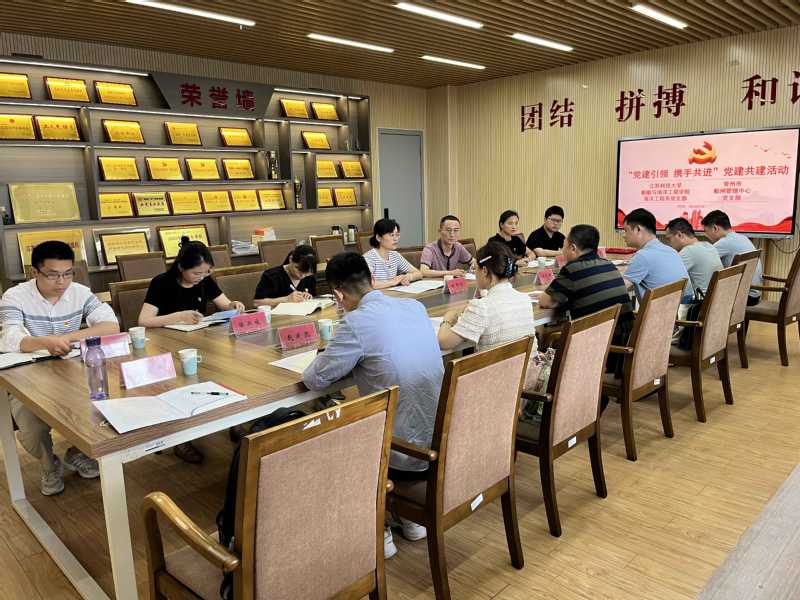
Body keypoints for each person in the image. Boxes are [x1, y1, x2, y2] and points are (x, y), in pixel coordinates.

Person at [302, 252, 443, 559]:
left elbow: (314, 379)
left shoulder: (355, 323)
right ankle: (410, 518)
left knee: (334, 433)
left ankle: (379, 530)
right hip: (438, 440)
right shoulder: (414, 306)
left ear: (338, 294)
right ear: (373, 279)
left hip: (398, 451)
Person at [0, 241, 119, 496]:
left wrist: (67, 338)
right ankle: (49, 465)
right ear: (35, 272)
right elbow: (9, 338)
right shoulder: (15, 296)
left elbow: (110, 325)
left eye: (67, 273)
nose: (62, 282)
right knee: (32, 429)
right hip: (29, 374)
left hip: (71, 368)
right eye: (53, 275)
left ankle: (78, 452)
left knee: (99, 403)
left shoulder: (80, 292)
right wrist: (46, 342)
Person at [138, 237, 245, 464]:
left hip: (200, 343)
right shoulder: (162, 283)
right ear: (181, 267)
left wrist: (233, 305)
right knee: (180, 388)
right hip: (167, 346)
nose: (201, 277)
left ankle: (233, 420)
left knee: (225, 374)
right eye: (196, 273)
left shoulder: (205, 280)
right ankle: (180, 440)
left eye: (206, 273)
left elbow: (224, 304)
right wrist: (179, 316)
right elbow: (144, 320)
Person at [538, 225, 634, 370]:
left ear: (573, 248)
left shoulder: (573, 269)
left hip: (598, 348)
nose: (562, 250)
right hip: (622, 344)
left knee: (549, 341)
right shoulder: (608, 265)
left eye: (564, 246)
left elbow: (546, 302)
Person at [438, 242, 536, 354]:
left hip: (497, 365)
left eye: (476, 269)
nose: (475, 273)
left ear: (484, 271)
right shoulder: (524, 299)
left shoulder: (482, 307)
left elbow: (443, 342)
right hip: (526, 364)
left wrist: (448, 319)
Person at [622, 208, 691, 302]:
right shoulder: (671, 251)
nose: (623, 235)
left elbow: (619, 289)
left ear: (638, 229)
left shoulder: (642, 256)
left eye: (626, 230)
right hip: (684, 307)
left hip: (664, 309)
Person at [701, 210, 764, 306]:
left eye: (706, 231)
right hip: (754, 295)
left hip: (742, 297)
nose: (705, 235)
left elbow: (702, 260)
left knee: (701, 299)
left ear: (715, 228)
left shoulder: (724, 242)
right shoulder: (742, 238)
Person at [663, 217, 722, 296]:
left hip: (701, 301)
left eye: (669, 239)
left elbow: (667, 277)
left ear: (679, 235)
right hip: (716, 297)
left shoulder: (689, 251)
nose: (668, 244)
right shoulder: (709, 246)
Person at [362, 218, 422, 290]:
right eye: (392, 235)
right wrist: (393, 282)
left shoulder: (395, 255)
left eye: (397, 235)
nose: (395, 239)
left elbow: (419, 273)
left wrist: (406, 277)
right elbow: (367, 284)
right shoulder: (368, 258)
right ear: (378, 237)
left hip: (392, 294)